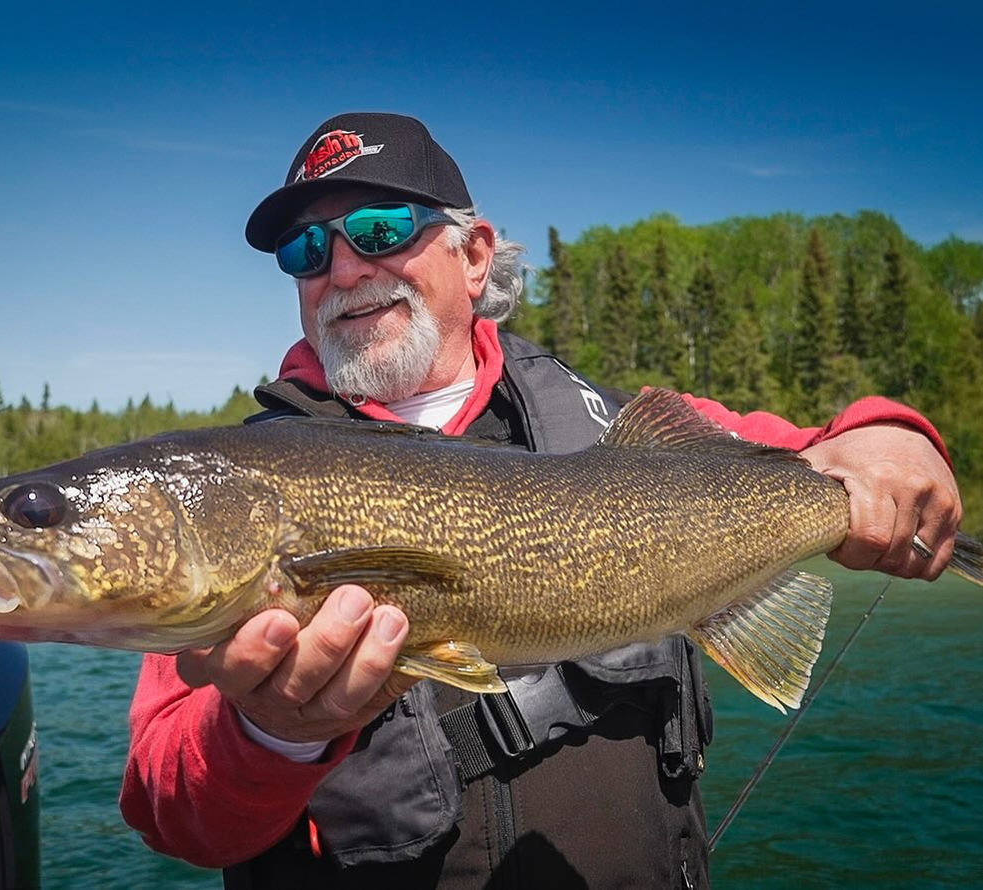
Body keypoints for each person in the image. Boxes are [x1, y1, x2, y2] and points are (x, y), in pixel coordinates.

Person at [119, 112, 962, 889]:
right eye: (305, 251)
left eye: (379, 230)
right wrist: (270, 733)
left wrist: (892, 433)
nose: (341, 269)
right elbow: (169, 814)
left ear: (474, 255)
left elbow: (829, 452)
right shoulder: (238, 486)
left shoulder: (616, 423)